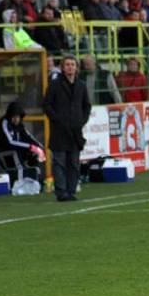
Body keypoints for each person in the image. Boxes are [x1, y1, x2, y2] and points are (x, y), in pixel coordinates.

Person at [43, 55, 91, 202]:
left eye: (73, 65)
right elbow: (47, 105)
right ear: (63, 67)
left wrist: (80, 121)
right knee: (59, 162)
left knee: (74, 163)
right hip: (59, 130)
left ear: (77, 68)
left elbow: (86, 106)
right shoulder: (55, 84)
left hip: (75, 131)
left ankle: (70, 190)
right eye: (67, 65)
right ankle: (61, 192)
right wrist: (57, 120)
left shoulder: (81, 85)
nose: (70, 67)